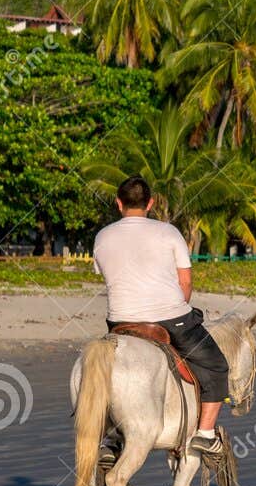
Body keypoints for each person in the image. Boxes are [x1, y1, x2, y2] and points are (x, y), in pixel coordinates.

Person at [92, 176, 229, 462]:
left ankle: (108, 439)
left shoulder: (102, 236)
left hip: (120, 323)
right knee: (216, 365)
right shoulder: (168, 232)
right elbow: (185, 283)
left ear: (118, 203)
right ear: (151, 203)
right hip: (170, 318)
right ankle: (205, 434)